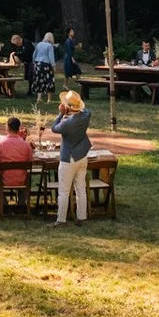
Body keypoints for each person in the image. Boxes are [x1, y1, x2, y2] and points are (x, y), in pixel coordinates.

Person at [50, 90, 92, 227]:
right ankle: (81, 217)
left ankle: (61, 220)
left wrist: (61, 113)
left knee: (63, 191)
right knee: (80, 188)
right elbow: (85, 110)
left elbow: (54, 128)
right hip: (82, 155)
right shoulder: (86, 115)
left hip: (69, 158)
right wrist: (70, 110)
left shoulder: (67, 123)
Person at [0, 115, 34, 195]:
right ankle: (21, 201)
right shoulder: (26, 145)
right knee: (28, 178)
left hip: (4, 179)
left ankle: (3, 200)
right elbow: (30, 161)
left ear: (7, 128)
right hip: (22, 179)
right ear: (18, 129)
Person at [32, 33, 58, 102]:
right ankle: (49, 99)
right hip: (46, 64)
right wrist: (53, 66)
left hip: (38, 63)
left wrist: (34, 62)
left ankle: (39, 98)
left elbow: (34, 54)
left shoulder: (39, 44)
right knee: (49, 81)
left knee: (39, 80)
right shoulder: (50, 46)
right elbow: (51, 57)